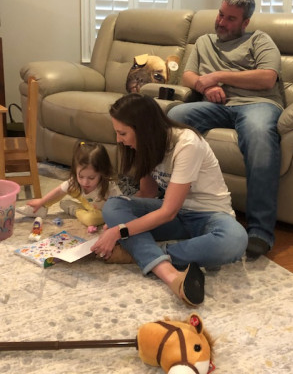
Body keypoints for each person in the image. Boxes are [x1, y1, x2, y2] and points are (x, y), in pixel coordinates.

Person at [90, 93, 247, 306]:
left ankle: (140, 255)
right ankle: (166, 270)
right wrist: (122, 220)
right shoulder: (144, 146)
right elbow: (147, 194)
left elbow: (168, 212)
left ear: (143, 129)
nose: (119, 139)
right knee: (115, 205)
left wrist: (121, 231)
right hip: (176, 216)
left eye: (122, 133)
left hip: (210, 216)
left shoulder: (187, 143)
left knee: (234, 241)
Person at [168, 0, 283, 260]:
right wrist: (204, 87)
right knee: (172, 119)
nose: (221, 22)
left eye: (231, 19)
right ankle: (167, 203)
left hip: (258, 104)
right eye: (221, 14)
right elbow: (188, 75)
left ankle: (260, 231)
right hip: (217, 105)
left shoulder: (260, 40)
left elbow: (267, 78)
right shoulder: (204, 41)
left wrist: (217, 76)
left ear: (245, 23)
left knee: (259, 136)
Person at [17, 141, 122, 233]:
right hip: (87, 204)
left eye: (91, 177)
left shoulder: (109, 188)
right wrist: (41, 201)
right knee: (67, 190)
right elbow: (59, 190)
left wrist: (113, 223)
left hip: (100, 211)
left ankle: (74, 209)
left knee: (90, 219)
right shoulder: (76, 182)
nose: (85, 182)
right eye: (80, 176)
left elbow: (122, 207)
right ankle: (42, 208)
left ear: (102, 173)